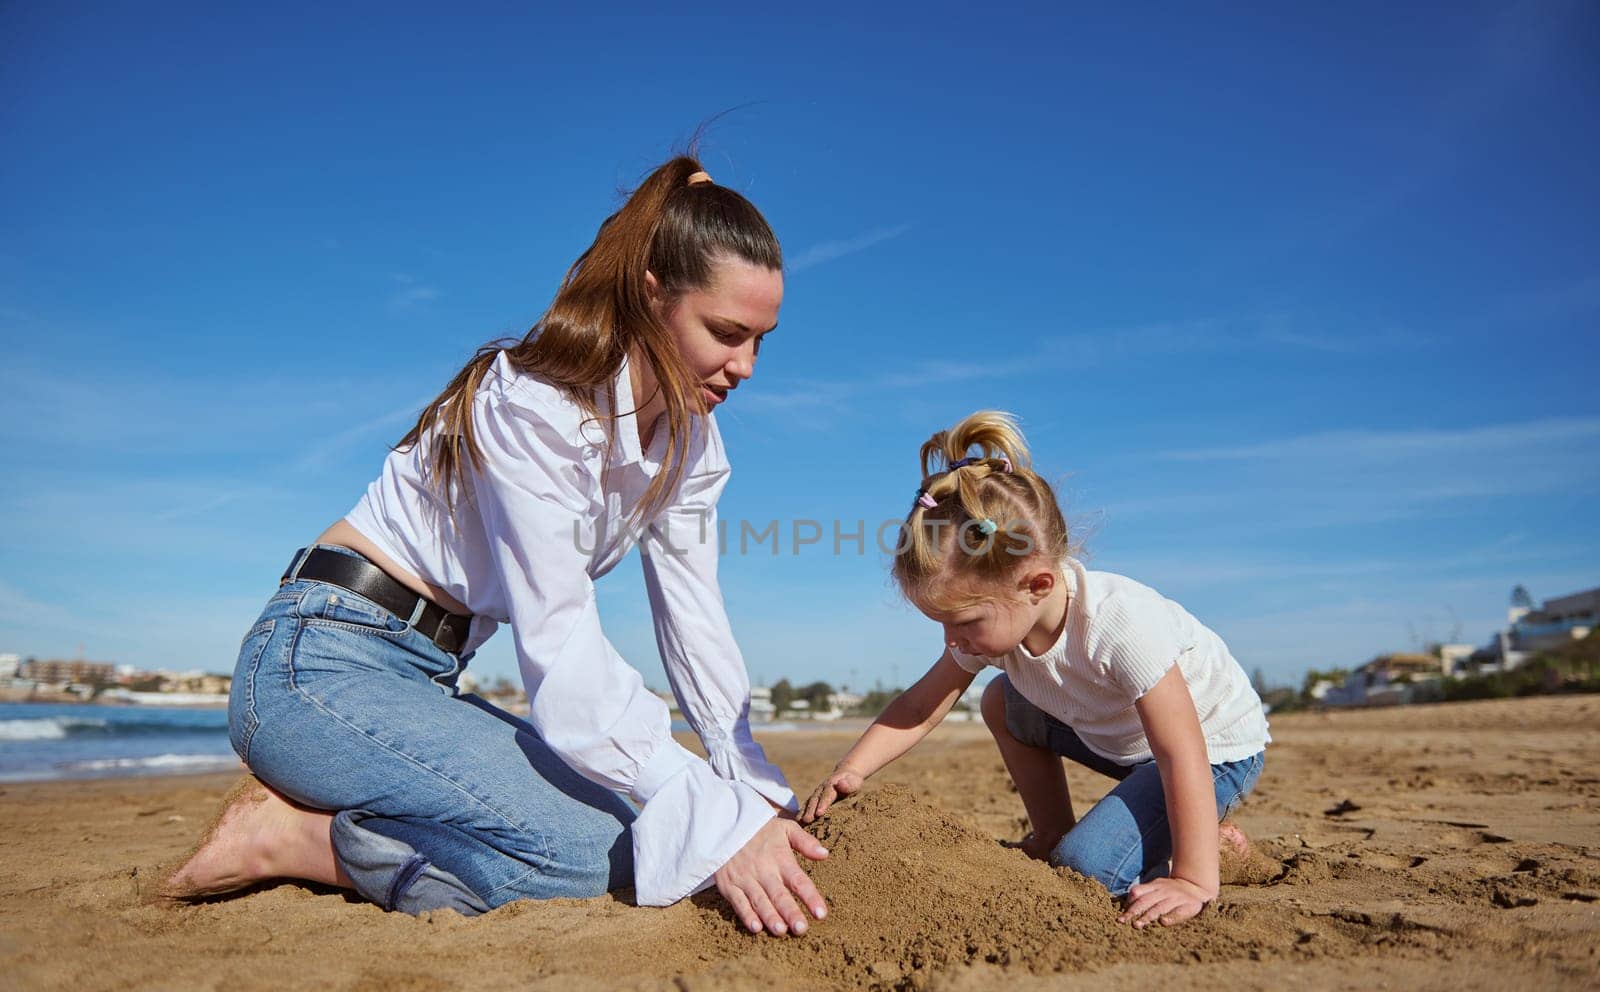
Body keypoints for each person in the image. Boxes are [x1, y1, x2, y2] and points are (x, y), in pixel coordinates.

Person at [157, 153, 829, 937]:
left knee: (629, 828)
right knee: (592, 858)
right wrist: (712, 812)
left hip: (426, 679)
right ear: (653, 295)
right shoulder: (537, 409)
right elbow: (563, 656)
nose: (746, 366)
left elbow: (695, 618)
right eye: (727, 333)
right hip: (315, 663)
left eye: (762, 340)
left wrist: (748, 784)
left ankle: (339, 805)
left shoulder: (690, 441)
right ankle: (293, 837)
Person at [801, 411, 1269, 929]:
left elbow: (1181, 751)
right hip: (1126, 742)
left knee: (1086, 869)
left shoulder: (1119, 625)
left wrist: (1194, 878)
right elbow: (918, 706)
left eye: (965, 622)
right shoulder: (1001, 622)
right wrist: (853, 768)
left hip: (1213, 752)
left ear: (1037, 585)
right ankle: (1051, 830)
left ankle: (1214, 850)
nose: (953, 640)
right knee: (1002, 701)